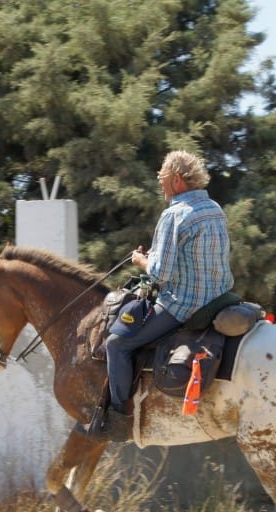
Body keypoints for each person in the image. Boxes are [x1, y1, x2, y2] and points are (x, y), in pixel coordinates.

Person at [92, 150, 235, 441]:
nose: (160, 183)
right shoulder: (214, 209)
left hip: (184, 305)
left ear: (178, 180)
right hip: (221, 298)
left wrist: (140, 261)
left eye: (162, 177)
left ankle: (119, 419)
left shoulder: (174, 214)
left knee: (117, 344)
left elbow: (160, 274)